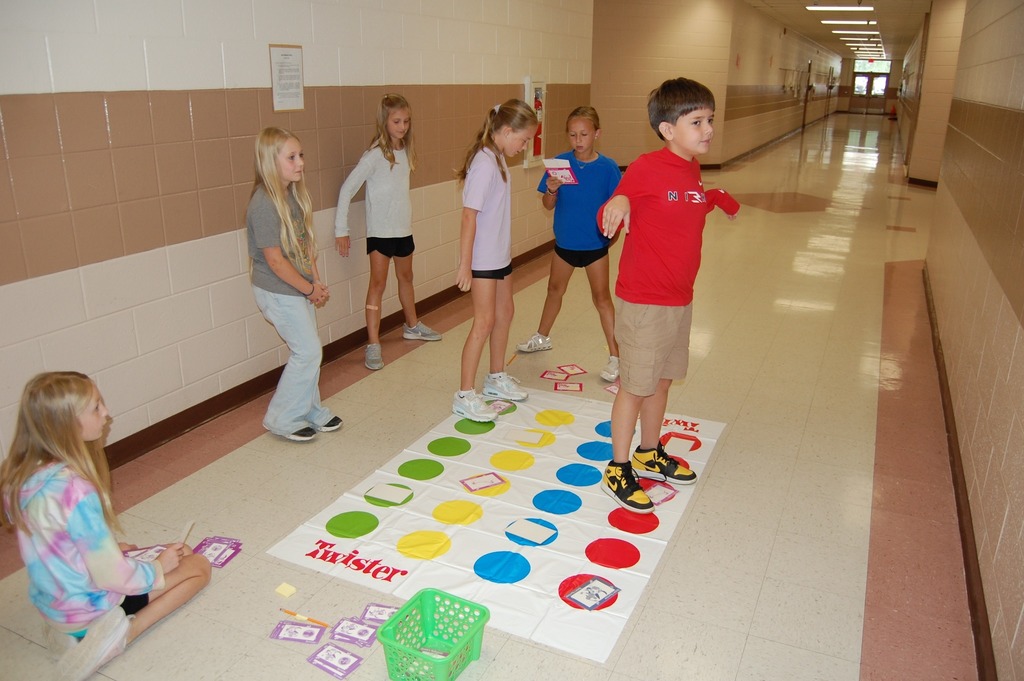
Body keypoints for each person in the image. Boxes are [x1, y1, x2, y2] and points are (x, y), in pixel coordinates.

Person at [0, 372, 212, 681]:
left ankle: (76, 632)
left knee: (181, 551)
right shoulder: (76, 490)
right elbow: (113, 576)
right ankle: (119, 633)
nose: (107, 413)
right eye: (96, 408)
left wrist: (115, 550)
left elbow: (58, 541)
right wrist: (156, 569)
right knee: (199, 566)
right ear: (68, 424)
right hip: (89, 609)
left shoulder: (19, 477)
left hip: (55, 605)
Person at [598, 78, 740, 513]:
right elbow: (622, 196)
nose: (708, 129)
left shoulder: (692, 170)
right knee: (635, 386)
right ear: (667, 130)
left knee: (661, 380)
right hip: (644, 301)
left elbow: (684, 201)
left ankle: (648, 450)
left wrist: (715, 198)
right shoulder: (647, 165)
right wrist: (618, 203)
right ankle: (618, 467)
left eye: (709, 120)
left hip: (680, 299)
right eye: (696, 121)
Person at [247, 127, 342, 442]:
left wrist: (315, 280)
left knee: (310, 351)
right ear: (270, 162)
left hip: (298, 287)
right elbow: (275, 261)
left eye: (300, 155)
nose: (300, 162)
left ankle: (309, 409)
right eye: (291, 157)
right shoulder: (263, 203)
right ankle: (281, 417)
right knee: (308, 351)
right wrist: (307, 289)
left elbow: (304, 245)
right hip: (277, 290)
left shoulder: (293, 195)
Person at [335, 94, 442, 371]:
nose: (402, 126)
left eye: (406, 121)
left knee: (406, 278)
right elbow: (347, 189)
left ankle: (412, 325)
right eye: (396, 121)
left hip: (402, 230)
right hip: (380, 232)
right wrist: (341, 230)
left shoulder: (405, 151)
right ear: (384, 121)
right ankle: (373, 343)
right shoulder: (373, 157)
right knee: (378, 285)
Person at [516, 106, 622, 381]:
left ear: (597, 134)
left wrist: (612, 236)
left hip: (595, 247)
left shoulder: (608, 168)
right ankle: (542, 337)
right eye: (573, 134)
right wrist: (551, 189)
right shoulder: (560, 165)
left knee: (601, 299)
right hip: (564, 245)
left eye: (584, 134)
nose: (578, 140)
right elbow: (548, 205)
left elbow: (618, 206)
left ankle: (616, 356)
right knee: (554, 290)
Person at [452, 99, 540, 422]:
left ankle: (495, 377)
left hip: (499, 254)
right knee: (484, 322)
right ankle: (464, 394)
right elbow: (468, 216)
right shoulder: (485, 164)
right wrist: (465, 264)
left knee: (506, 312)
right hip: (482, 259)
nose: (525, 145)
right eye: (524, 138)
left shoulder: (499, 158)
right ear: (506, 131)